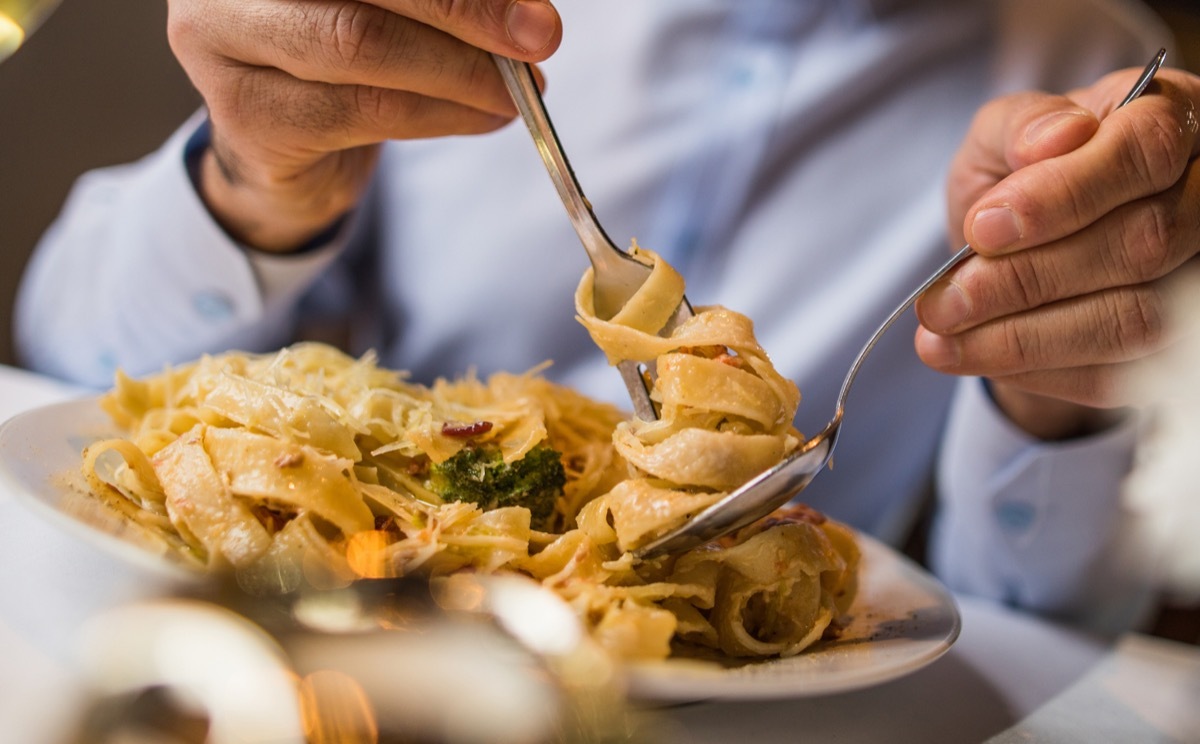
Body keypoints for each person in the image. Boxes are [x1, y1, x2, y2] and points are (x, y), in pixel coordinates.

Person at [15, 0, 1200, 632]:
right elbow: (66, 362)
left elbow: (1046, 623)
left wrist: (1054, 373)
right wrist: (256, 183)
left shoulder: (1087, 69)